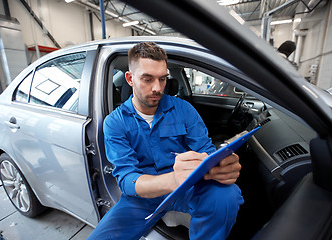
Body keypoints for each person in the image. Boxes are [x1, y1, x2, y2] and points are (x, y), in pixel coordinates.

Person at [87, 42, 244, 240]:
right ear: (130, 79)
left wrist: (222, 165)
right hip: (141, 196)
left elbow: (206, 151)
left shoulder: (184, 110)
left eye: (162, 79)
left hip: (187, 188)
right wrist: (173, 180)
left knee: (226, 195)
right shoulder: (115, 123)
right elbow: (127, 180)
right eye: (147, 79)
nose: (157, 88)